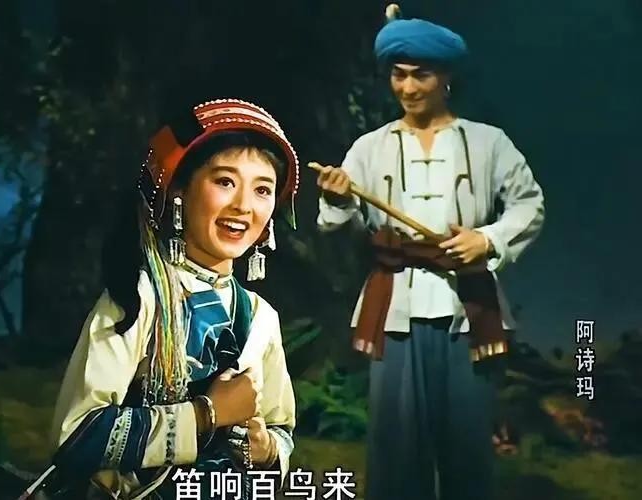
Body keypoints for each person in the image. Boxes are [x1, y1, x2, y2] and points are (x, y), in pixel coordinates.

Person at [315, 5, 544, 500]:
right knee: (395, 449)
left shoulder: (488, 143)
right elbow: (339, 225)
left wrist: (487, 240)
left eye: (421, 75)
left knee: (467, 448)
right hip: (395, 310)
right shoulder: (369, 147)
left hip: (468, 310)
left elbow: (529, 205)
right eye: (398, 75)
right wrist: (338, 200)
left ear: (446, 77)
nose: (408, 87)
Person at [46, 99, 299, 499]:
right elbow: (76, 435)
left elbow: (281, 431)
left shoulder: (260, 318)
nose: (243, 206)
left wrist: (265, 447)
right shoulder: (138, 298)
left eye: (262, 190)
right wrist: (205, 415)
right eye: (225, 182)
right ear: (180, 189)